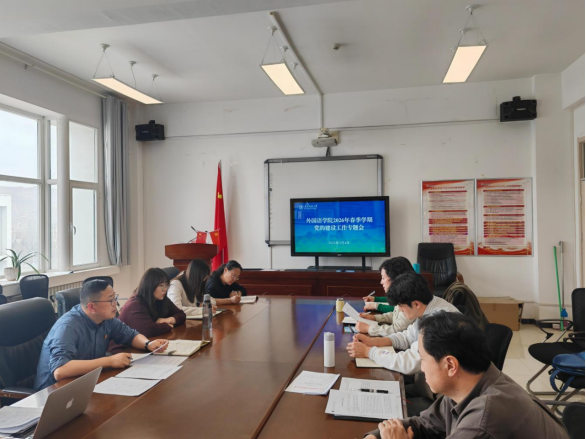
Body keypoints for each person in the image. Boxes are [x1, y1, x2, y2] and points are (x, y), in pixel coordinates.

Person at [364, 312, 569, 439]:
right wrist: (375, 437)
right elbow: (425, 424)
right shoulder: (468, 384)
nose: (422, 368)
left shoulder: (482, 422)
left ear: (450, 365)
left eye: (423, 359)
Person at [34, 280, 168, 391]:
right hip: (53, 393)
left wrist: (148, 344)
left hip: (84, 382)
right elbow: (60, 371)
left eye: (115, 298)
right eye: (111, 300)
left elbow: (130, 335)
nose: (115, 304)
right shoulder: (67, 327)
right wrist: (109, 361)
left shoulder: (105, 318)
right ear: (92, 307)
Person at [346, 272, 459, 375]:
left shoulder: (438, 321)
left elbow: (409, 363)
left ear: (416, 304)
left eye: (401, 306)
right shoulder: (428, 305)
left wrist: (368, 352)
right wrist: (372, 341)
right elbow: (407, 337)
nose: (399, 310)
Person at [356, 257, 416, 337]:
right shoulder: (403, 293)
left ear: (396, 278)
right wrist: (374, 318)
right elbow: (396, 316)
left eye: (383, 278)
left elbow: (397, 330)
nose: (381, 282)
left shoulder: (410, 298)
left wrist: (369, 328)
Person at [118, 268, 186, 337]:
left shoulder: (161, 298)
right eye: (161, 285)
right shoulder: (135, 304)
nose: (165, 289)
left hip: (148, 340)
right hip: (124, 343)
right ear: (150, 286)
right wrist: (168, 326)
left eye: (166, 285)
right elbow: (148, 330)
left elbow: (181, 314)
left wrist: (170, 320)